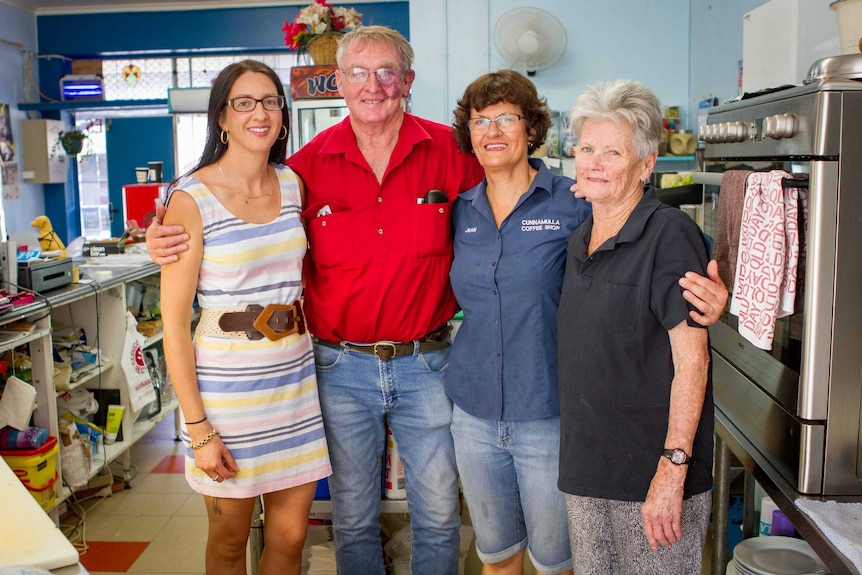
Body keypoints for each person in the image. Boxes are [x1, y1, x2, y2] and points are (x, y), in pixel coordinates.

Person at [146, 27, 727, 575]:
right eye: (358, 73)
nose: (373, 86)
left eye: (387, 73)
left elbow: (592, 207)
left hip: (428, 364)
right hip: (334, 365)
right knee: (351, 516)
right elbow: (243, 209)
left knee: (437, 514)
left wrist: (701, 273)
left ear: (409, 80)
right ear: (338, 82)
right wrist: (162, 229)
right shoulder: (302, 171)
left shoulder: (454, 153)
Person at [159, 59, 330, 575]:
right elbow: (173, 325)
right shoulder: (192, 198)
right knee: (231, 541)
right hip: (227, 396)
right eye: (244, 103)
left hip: (294, 384)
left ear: (283, 115)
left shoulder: (293, 185)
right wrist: (198, 429)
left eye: (271, 101)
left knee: (291, 536)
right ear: (222, 119)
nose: (260, 113)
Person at [557, 79, 714, 575]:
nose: (595, 162)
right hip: (586, 466)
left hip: (653, 473)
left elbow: (694, 360)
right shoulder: (580, 237)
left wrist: (672, 469)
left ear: (646, 164)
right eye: (586, 148)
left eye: (613, 152)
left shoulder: (670, 235)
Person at [447, 70, 589, 575]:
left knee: (555, 562)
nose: (492, 131)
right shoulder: (460, 211)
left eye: (506, 118)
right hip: (473, 413)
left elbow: (638, 250)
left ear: (531, 128)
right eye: (480, 121)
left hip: (548, 413)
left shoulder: (572, 201)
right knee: (497, 555)